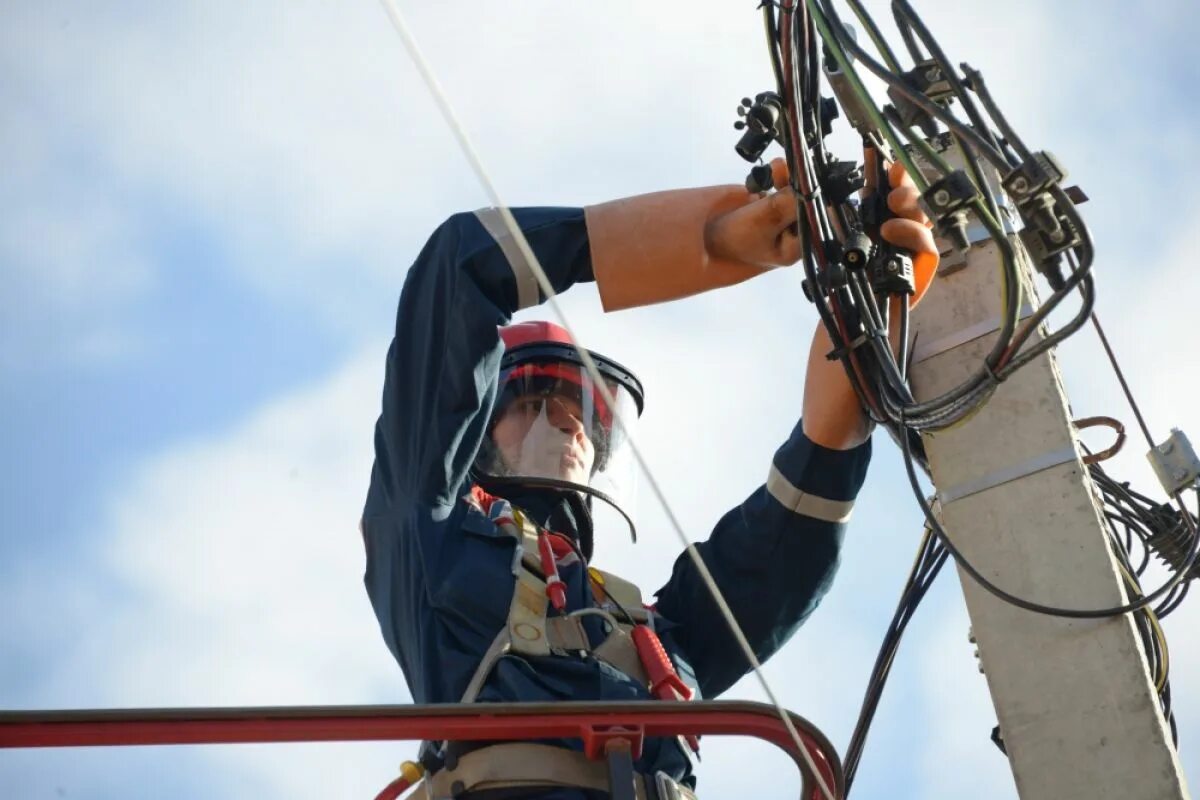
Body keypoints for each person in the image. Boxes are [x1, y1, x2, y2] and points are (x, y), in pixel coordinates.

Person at [362, 158, 938, 798]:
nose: (568, 428)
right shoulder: (431, 543)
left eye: (583, 416)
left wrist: (866, 318)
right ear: (474, 421)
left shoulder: (655, 635)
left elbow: (781, 548)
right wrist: (712, 238)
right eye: (532, 405)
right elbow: (459, 266)